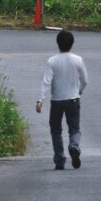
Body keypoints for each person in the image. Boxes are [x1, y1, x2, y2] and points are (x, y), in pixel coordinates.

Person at [36, 30, 88, 170]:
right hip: (73, 99)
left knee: (56, 130)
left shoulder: (52, 61)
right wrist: (79, 91)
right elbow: (85, 80)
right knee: (74, 128)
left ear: (58, 43)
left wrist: (40, 99)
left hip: (57, 101)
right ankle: (74, 146)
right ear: (72, 44)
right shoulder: (78, 60)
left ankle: (59, 159)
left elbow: (46, 81)